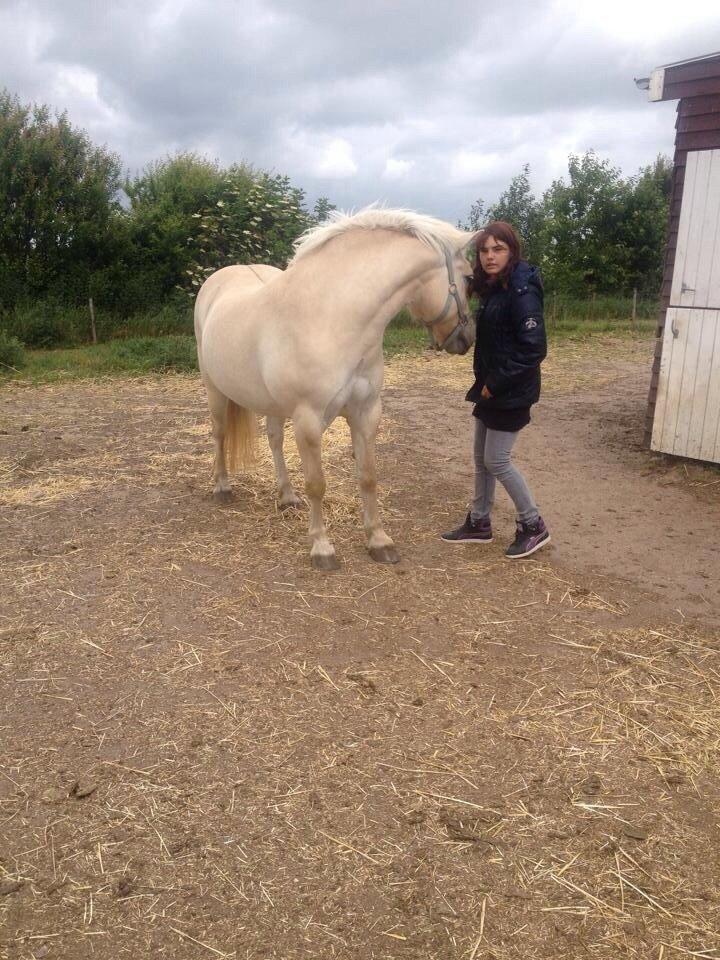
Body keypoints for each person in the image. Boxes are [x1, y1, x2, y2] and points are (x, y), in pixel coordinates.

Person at [441, 221, 550, 559]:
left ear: (511, 251)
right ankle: (479, 522)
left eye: (498, 249)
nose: (489, 256)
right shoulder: (494, 286)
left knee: (497, 460)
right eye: (484, 250)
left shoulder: (522, 291)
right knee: (481, 459)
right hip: (490, 388)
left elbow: (534, 348)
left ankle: (533, 524)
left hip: (510, 390)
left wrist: (496, 382)